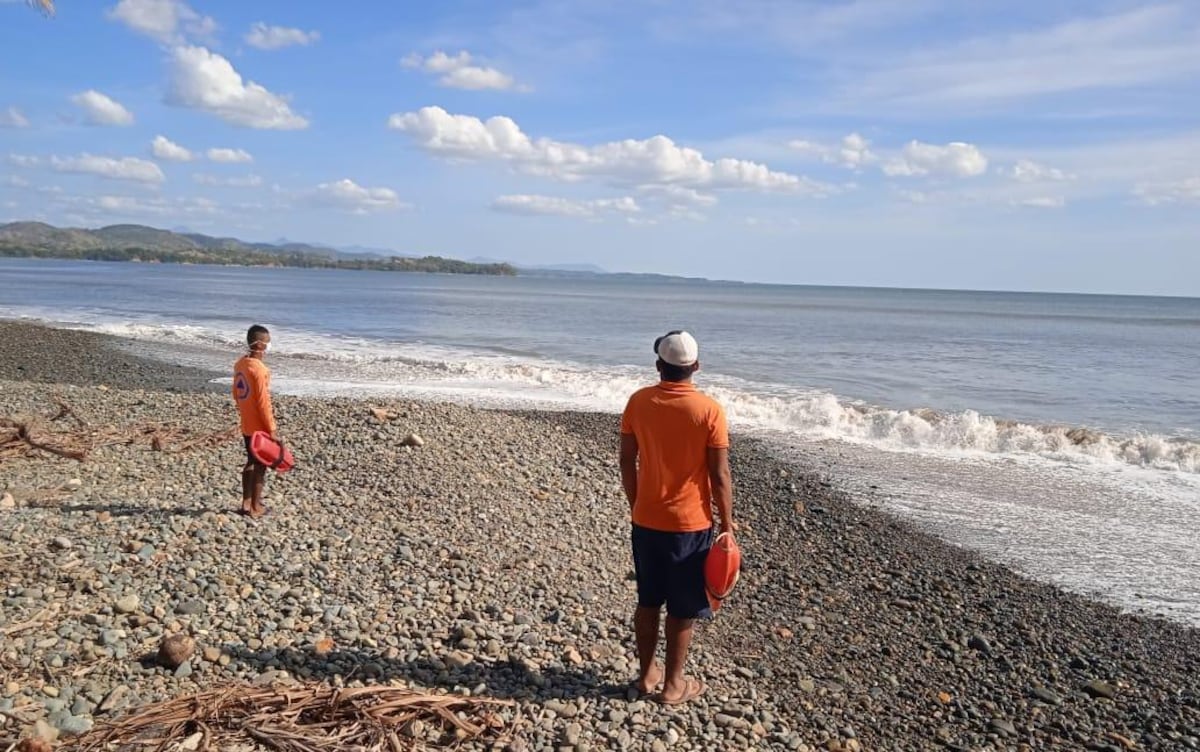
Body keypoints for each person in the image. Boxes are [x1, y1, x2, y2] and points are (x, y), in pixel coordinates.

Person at [619, 330, 736, 706]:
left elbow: (626, 459)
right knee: (683, 608)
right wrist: (729, 526)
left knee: (648, 600)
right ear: (696, 367)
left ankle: (646, 674)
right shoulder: (709, 410)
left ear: (659, 366)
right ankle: (673, 685)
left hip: (647, 520)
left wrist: (637, 503)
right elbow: (719, 476)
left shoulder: (639, 401)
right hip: (691, 524)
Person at [232, 324, 279, 518]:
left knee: (250, 460)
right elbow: (263, 402)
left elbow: (236, 393)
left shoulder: (241, 364)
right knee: (261, 465)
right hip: (259, 425)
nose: (268, 347)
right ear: (259, 345)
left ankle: (246, 502)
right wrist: (272, 428)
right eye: (267, 343)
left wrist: (245, 411)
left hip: (246, 421)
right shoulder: (260, 370)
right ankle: (256, 507)